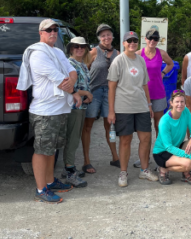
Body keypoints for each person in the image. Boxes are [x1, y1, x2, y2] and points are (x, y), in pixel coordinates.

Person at [18, 19, 77, 203]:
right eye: (48, 30)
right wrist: (74, 91)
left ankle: (50, 182)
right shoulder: (37, 54)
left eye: (55, 29)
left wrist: (72, 81)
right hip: (45, 111)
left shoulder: (58, 52)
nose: (53, 32)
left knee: (52, 150)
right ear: (41, 33)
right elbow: (60, 79)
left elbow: (72, 71)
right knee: (42, 151)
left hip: (60, 110)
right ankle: (40, 189)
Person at [108, 30, 158, 187]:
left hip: (141, 106)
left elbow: (144, 84)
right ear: (123, 43)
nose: (132, 43)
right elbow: (111, 87)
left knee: (145, 139)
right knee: (125, 140)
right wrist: (111, 111)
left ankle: (144, 170)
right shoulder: (118, 61)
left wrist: (149, 104)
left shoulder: (141, 60)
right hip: (124, 107)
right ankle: (123, 172)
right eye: (128, 40)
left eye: (134, 40)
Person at [83, 23, 121, 174]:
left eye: (108, 34)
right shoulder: (93, 52)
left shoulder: (117, 53)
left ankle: (115, 157)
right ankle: (86, 161)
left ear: (112, 36)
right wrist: (84, 92)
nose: (106, 37)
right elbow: (83, 71)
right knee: (88, 126)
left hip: (111, 92)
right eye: (103, 35)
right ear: (99, 38)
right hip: (94, 91)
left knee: (110, 125)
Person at [152, 92, 191, 186]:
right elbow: (168, 147)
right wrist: (190, 156)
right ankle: (163, 168)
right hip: (162, 152)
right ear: (171, 103)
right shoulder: (164, 121)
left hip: (176, 146)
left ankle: (185, 174)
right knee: (188, 164)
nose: (180, 104)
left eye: (182, 102)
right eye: (177, 102)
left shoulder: (186, 111)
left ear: (185, 102)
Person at [62, 37, 93, 188]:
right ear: (71, 48)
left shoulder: (81, 64)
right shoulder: (69, 63)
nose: (79, 49)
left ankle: (69, 166)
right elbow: (67, 86)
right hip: (73, 107)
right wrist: (86, 93)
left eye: (82, 46)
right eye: (76, 46)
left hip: (80, 107)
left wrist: (86, 95)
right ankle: (70, 171)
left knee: (74, 138)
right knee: (73, 139)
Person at [141, 28, 175, 135]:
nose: (152, 41)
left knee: (158, 124)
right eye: (150, 38)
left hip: (158, 92)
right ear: (145, 39)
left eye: (155, 39)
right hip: (142, 94)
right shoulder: (138, 54)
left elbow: (171, 64)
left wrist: (163, 73)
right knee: (145, 126)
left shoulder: (161, 53)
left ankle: (159, 149)